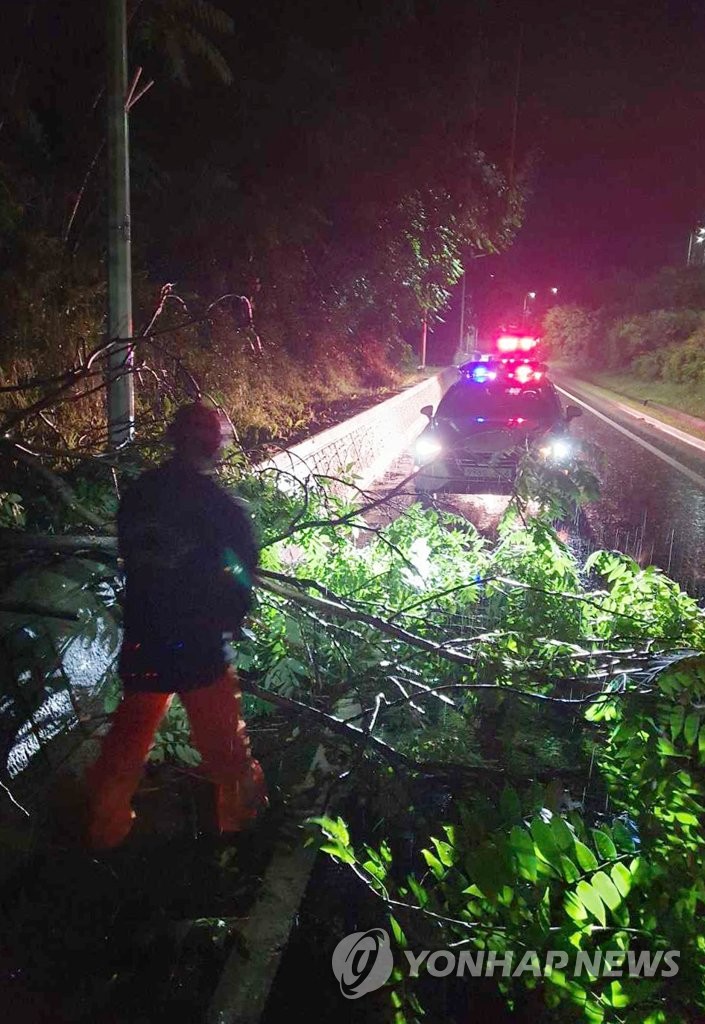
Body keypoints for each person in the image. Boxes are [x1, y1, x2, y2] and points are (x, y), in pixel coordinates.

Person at [83, 402, 267, 849]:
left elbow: (134, 558)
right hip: (200, 645)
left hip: (148, 638)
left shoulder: (141, 493)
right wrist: (231, 617)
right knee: (226, 748)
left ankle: (100, 833)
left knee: (127, 742)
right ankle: (241, 832)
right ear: (214, 446)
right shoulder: (221, 507)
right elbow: (243, 573)